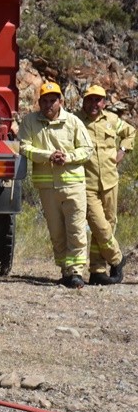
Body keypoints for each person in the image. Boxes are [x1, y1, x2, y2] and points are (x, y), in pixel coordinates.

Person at [20, 81, 94, 289]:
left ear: (60, 101)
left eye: (53, 100)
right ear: (39, 102)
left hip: (73, 185)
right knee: (57, 231)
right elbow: (24, 147)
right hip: (47, 188)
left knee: (76, 228)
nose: (48, 104)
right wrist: (47, 156)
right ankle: (65, 271)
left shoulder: (73, 121)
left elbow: (87, 149)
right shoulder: (30, 121)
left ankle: (77, 272)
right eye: (44, 101)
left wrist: (68, 157)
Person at [76, 84, 134, 285]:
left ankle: (98, 271)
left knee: (109, 224)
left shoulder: (112, 120)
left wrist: (123, 150)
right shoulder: (76, 121)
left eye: (98, 100)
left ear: (104, 102)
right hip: (87, 183)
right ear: (83, 101)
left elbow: (131, 132)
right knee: (99, 226)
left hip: (110, 181)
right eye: (90, 99)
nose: (94, 104)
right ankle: (117, 258)